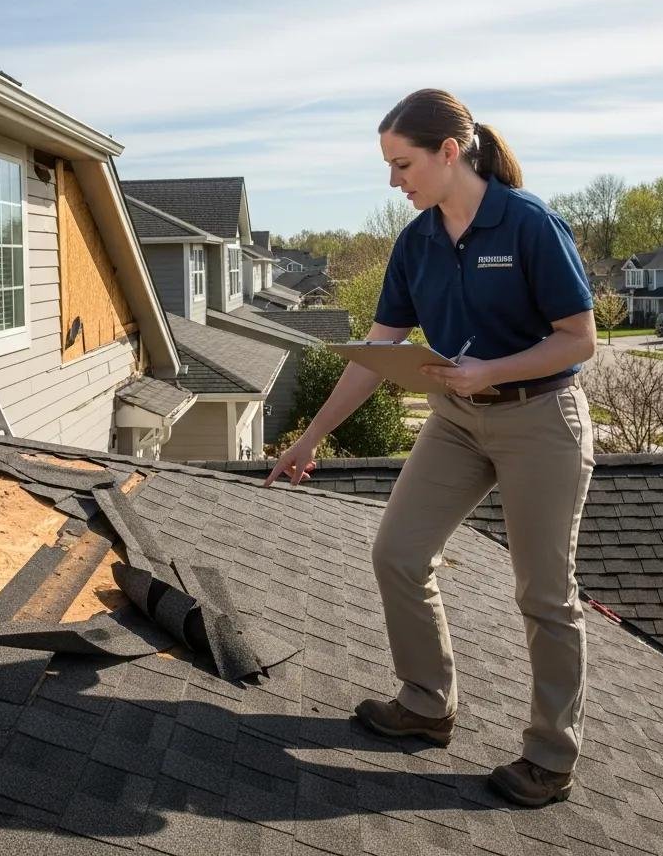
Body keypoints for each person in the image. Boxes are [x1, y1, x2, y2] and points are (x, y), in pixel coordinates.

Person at [263, 88, 596, 808]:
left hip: (540, 419)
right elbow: (373, 352)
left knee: (544, 596)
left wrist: (491, 371)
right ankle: (425, 704)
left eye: (402, 163)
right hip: (455, 419)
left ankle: (549, 758)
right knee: (399, 553)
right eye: (388, 166)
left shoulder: (529, 224)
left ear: (450, 153)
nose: (394, 181)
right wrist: (309, 438)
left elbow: (580, 340)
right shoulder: (415, 242)